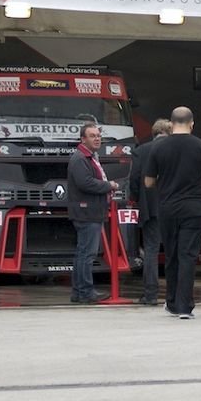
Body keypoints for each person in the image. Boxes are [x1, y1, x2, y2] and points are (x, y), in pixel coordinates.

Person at [144, 107, 201, 319]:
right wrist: (198, 178)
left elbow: (148, 181)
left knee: (171, 256)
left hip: (167, 208)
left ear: (171, 122)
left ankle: (171, 303)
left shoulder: (158, 147)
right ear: (192, 123)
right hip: (194, 208)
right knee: (187, 255)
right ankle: (185, 306)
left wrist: (166, 181)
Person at [67, 122, 119, 304]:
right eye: (92, 136)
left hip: (90, 210)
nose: (97, 138)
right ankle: (85, 292)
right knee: (87, 254)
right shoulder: (80, 158)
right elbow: (85, 183)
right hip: (87, 211)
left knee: (83, 252)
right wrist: (108, 185)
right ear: (83, 139)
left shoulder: (89, 157)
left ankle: (79, 291)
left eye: (98, 135)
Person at [129, 117, 171, 305]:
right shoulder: (176, 149)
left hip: (151, 207)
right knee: (175, 250)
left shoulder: (141, 151)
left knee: (151, 250)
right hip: (174, 206)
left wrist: (139, 200)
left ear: (154, 133)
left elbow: (134, 180)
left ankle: (151, 294)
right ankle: (176, 293)